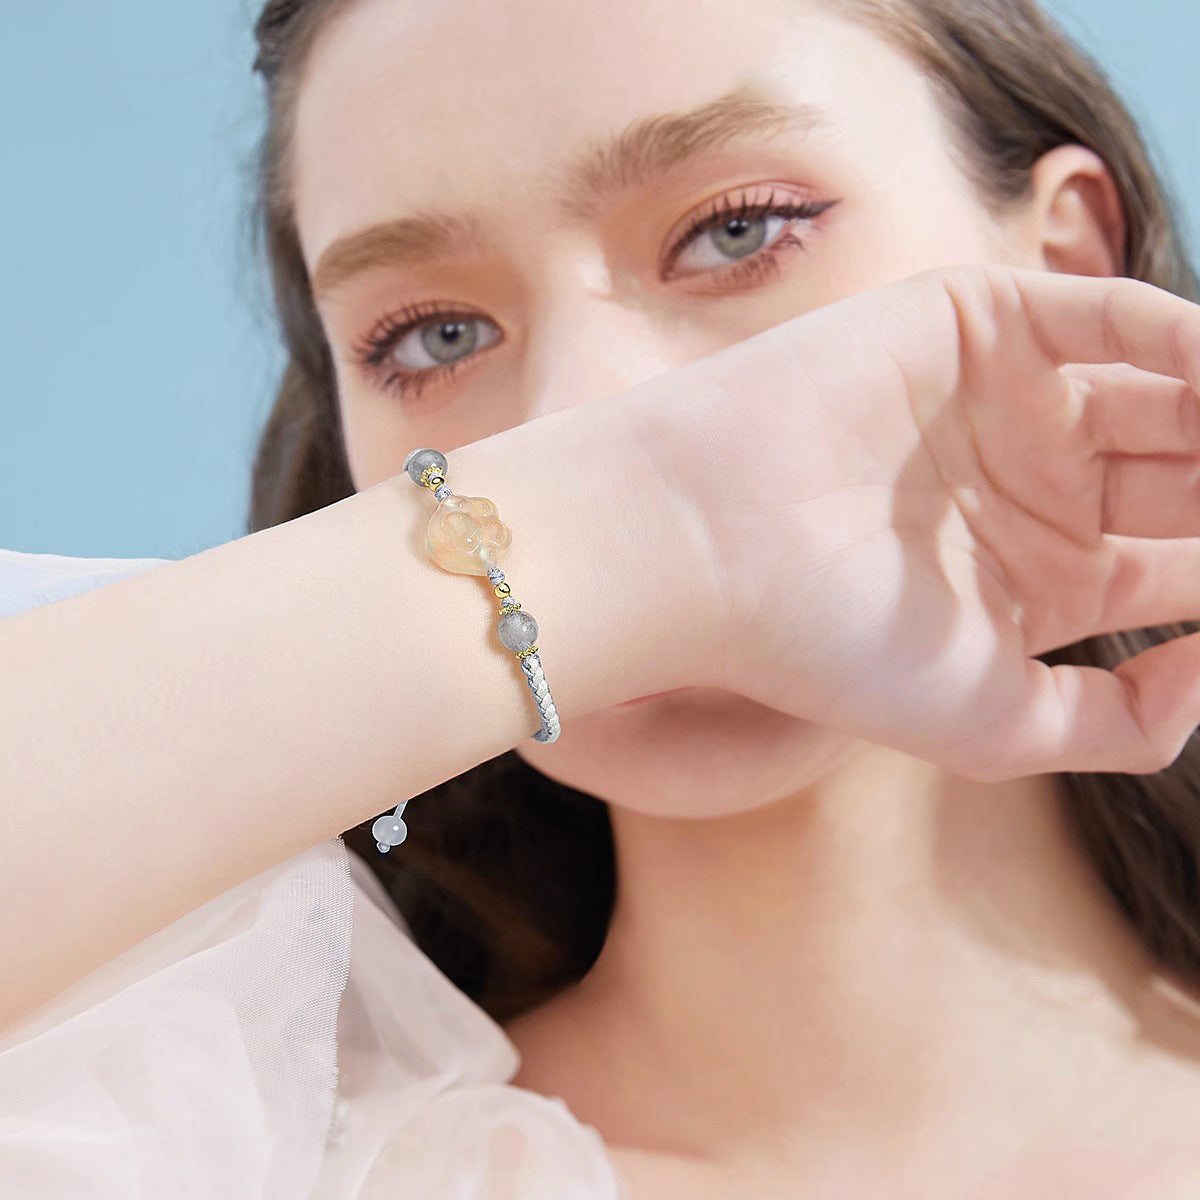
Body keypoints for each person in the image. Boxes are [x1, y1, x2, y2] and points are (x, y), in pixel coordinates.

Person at [2, 0, 1200, 1195]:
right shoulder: (227, 1150)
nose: (580, 415)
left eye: (737, 229)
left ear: (1065, 264)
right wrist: (639, 528)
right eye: (435, 336)